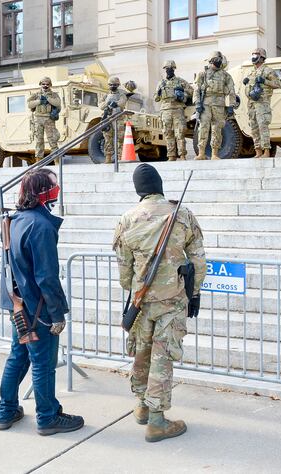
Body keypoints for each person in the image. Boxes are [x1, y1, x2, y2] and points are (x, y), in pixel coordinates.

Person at [113, 164, 207, 442]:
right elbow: (198, 261)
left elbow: (124, 272)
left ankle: (142, 405)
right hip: (172, 300)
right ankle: (156, 421)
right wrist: (194, 293)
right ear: (160, 185)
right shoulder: (183, 214)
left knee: (141, 351)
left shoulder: (127, 219)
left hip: (141, 301)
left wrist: (136, 289)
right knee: (162, 357)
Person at [0, 169, 84, 436]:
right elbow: (46, 275)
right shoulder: (41, 225)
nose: (57, 190)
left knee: (18, 357)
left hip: (19, 303)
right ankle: (47, 417)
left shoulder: (15, 219)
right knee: (43, 363)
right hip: (37, 309)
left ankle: (6, 409)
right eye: (53, 186)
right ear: (44, 192)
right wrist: (57, 313)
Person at [193, 51, 237, 160]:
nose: (218, 62)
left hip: (219, 105)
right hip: (205, 104)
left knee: (217, 128)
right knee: (203, 127)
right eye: (216, 59)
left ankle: (215, 153)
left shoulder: (225, 75)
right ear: (211, 60)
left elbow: (232, 90)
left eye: (219, 60)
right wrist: (197, 103)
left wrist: (231, 105)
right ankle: (201, 153)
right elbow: (196, 89)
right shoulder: (202, 74)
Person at [243, 48, 281, 158]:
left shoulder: (268, 70)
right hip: (251, 104)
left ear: (262, 57)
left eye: (256, 54)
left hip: (262, 104)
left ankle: (266, 152)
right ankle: (258, 151)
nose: (254, 56)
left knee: (262, 127)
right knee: (254, 128)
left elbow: (277, 84)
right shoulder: (252, 72)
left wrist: (265, 81)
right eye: (253, 54)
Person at [154, 60, 193, 161]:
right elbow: (156, 98)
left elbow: (191, 92)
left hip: (177, 109)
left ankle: (182, 155)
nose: (168, 70)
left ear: (174, 69)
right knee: (168, 133)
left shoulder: (180, 81)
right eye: (167, 68)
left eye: (170, 68)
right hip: (165, 110)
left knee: (180, 133)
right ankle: (171, 156)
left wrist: (182, 93)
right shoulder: (161, 83)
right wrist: (158, 93)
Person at [28, 77, 61, 161]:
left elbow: (57, 103)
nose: (45, 86)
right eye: (43, 84)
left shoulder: (54, 95)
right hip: (38, 119)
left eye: (47, 84)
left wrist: (48, 99)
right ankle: (38, 160)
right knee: (39, 141)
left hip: (49, 119)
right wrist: (39, 101)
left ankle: (56, 161)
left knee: (52, 140)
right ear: (40, 84)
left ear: (50, 85)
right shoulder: (36, 95)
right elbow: (29, 104)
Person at [100, 76, 128, 164]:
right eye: (111, 85)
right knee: (108, 138)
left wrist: (115, 104)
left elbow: (122, 103)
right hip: (108, 118)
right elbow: (101, 106)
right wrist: (107, 103)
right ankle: (108, 157)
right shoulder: (105, 95)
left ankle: (120, 157)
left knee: (120, 138)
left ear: (118, 85)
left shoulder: (121, 94)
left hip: (118, 118)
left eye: (115, 85)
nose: (113, 86)